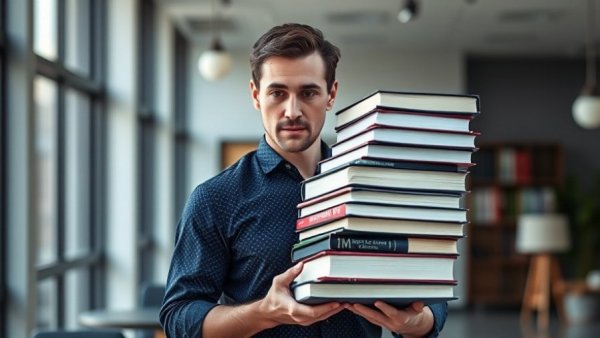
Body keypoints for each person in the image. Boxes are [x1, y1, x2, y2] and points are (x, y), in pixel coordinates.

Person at [159, 23, 447, 338]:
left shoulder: (374, 186)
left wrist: (417, 324)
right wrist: (263, 313)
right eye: (277, 93)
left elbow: (429, 293)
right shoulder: (215, 198)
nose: (292, 110)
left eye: (308, 92)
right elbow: (179, 317)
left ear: (331, 94)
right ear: (256, 95)